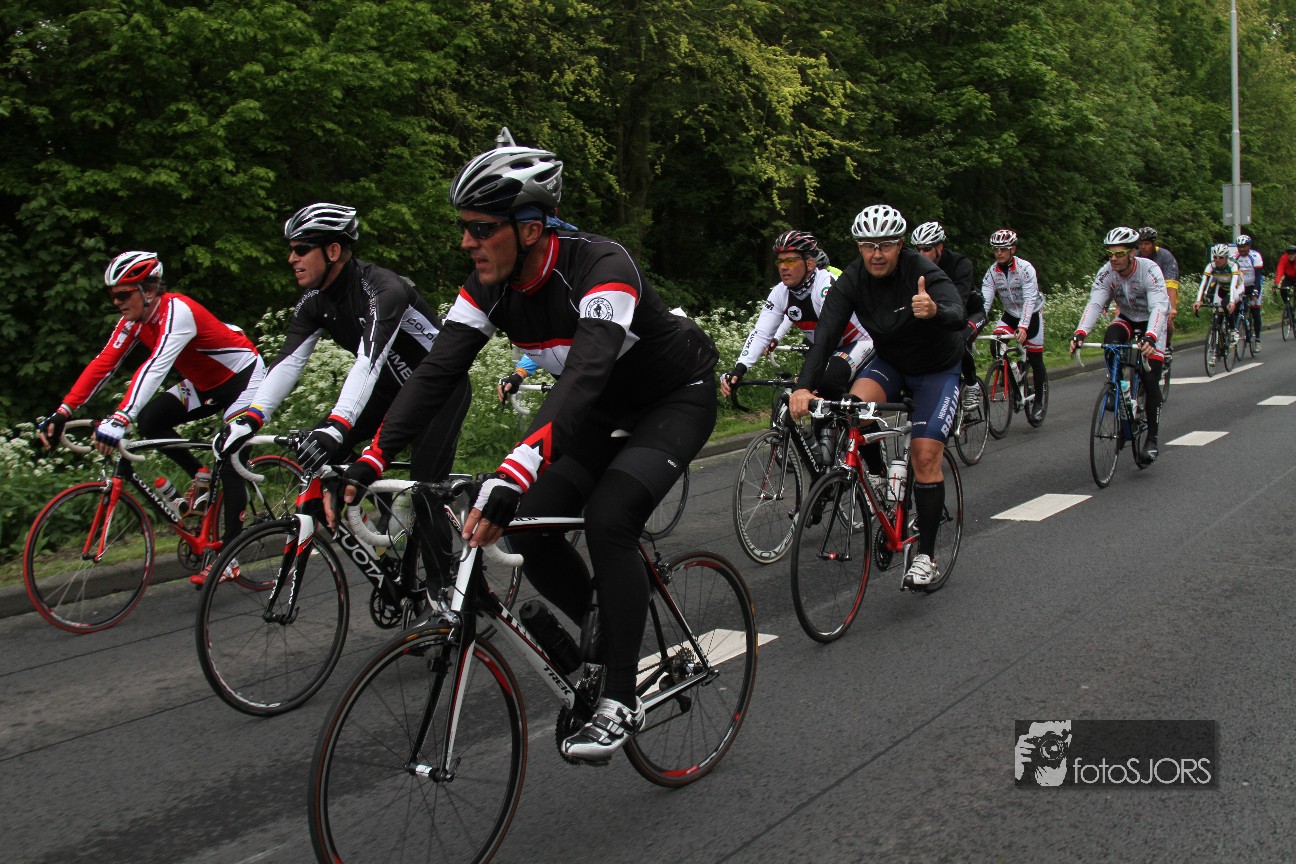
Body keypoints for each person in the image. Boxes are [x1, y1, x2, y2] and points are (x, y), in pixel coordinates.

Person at [333, 142, 718, 763]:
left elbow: (583, 374)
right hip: (598, 411)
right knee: (530, 527)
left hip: (672, 399)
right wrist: (372, 457)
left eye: (481, 228)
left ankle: (621, 697)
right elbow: (436, 372)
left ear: (531, 228)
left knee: (609, 518)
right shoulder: (490, 285)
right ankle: (605, 627)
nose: (467, 242)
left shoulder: (601, 266)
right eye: (464, 228)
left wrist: (517, 467)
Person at [216, 202, 472, 598]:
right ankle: (385, 528)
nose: (291, 258)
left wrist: (338, 425)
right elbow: (288, 362)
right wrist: (249, 420)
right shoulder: (315, 301)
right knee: (320, 453)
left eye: (301, 249)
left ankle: (442, 597)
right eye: (291, 250)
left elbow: (370, 360)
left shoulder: (383, 289)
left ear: (333, 250)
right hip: (387, 391)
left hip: (440, 389)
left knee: (425, 490)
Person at [37, 251, 265, 584]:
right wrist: (63, 411)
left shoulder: (178, 311)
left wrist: (120, 419)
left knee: (230, 455)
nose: (117, 302)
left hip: (244, 379)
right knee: (151, 421)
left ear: (149, 290)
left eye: (123, 294)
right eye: (113, 295)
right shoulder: (134, 321)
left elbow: (155, 367)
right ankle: (200, 474)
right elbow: (103, 363)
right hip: (204, 384)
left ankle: (229, 556)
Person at [788, 204, 966, 592]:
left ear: (900, 245)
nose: (877, 254)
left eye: (885, 245)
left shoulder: (921, 270)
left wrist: (934, 310)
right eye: (868, 246)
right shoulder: (853, 279)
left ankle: (926, 557)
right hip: (892, 364)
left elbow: (958, 311)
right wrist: (804, 386)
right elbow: (826, 335)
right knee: (852, 411)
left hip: (936, 369)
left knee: (924, 455)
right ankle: (882, 480)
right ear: (859, 247)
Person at [1068, 227, 1169, 463]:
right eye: (1110, 253)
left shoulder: (1149, 270)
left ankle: (1152, 439)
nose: (1113, 258)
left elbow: (1159, 307)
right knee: (1111, 341)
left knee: (1150, 378)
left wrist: (1151, 337)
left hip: (1152, 322)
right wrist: (1080, 333)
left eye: (1119, 253)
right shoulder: (1107, 272)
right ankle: (1117, 387)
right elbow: (1095, 304)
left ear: (1133, 253)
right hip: (1127, 317)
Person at [911, 221, 983, 410]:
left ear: (939, 247)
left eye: (926, 249)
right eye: (918, 249)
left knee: (959, 338)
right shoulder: (915, 266)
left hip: (970, 312)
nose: (921, 254)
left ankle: (972, 384)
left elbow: (959, 304)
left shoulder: (960, 264)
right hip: (938, 315)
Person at [980, 229, 1047, 422]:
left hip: (1031, 314)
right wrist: (976, 325)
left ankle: (1039, 401)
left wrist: (1024, 326)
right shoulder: (992, 273)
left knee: (1036, 358)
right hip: (1010, 314)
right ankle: (1015, 375)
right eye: (996, 249)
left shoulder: (1026, 269)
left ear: (1013, 249)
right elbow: (985, 302)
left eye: (1003, 249)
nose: (999, 253)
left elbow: (1029, 299)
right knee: (996, 344)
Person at [1190, 243, 1244, 364]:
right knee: (1217, 316)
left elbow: (1233, 285)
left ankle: (1233, 330)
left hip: (1237, 288)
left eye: (1221, 257)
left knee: (1226, 304)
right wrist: (1198, 300)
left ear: (1226, 257)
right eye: (1215, 257)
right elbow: (1203, 283)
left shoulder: (1233, 265)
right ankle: (1216, 351)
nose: (1217, 260)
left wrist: (1231, 302)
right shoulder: (1211, 266)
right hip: (1222, 288)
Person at [1136, 227, 1180, 347]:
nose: (1143, 247)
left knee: (1167, 323)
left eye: (1147, 244)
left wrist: (1172, 308)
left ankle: (1167, 345)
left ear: (1153, 244)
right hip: (1139, 294)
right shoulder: (1135, 256)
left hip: (1160, 294)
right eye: (1140, 244)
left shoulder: (1165, 256)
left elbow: (1171, 284)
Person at [1233, 234, 1264, 351]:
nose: (1241, 249)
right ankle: (1237, 331)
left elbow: (1258, 276)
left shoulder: (1255, 256)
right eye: (1239, 247)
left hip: (1253, 285)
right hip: (1241, 287)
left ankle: (1257, 340)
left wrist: (1256, 291)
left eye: (1244, 246)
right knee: (1235, 310)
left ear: (1249, 246)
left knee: (1255, 312)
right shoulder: (1234, 257)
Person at [1274, 244, 1296, 312]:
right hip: (1288, 278)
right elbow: (1280, 270)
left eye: (1293, 254)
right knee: (1283, 289)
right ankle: (1287, 306)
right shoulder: (1284, 258)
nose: (1291, 256)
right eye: (1289, 254)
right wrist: (1276, 283)